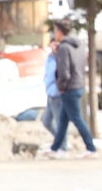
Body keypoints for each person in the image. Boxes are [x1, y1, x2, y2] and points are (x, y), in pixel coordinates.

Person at [41, 20, 96, 159]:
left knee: (77, 119)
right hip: (79, 84)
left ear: (59, 32)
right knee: (63, 121)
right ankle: (56, 148)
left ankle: (91, 147)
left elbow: (64, 71)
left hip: (68, 88)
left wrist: (61, 87)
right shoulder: (79, 46)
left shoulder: (64, 48)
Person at [40, 38, 66, 150]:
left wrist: (59, 88)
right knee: (46, 121)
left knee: (59, 122)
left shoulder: (61, 57)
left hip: (56, 93)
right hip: (50, 92)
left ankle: (63, 147)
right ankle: (59, 142)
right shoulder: (50, 57)